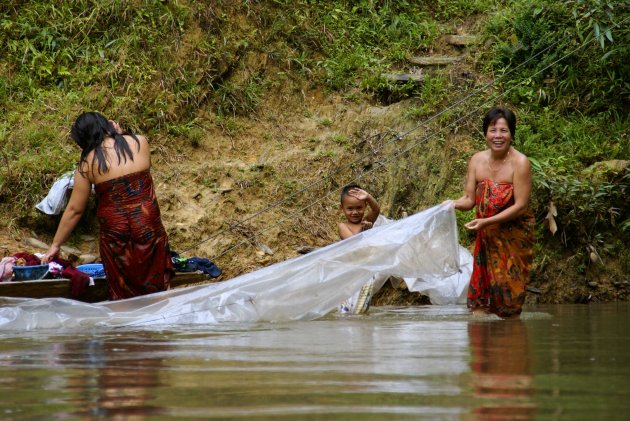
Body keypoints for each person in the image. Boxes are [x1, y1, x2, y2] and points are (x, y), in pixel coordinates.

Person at [42, 112, 174, 300]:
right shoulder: (140, 142)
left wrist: (55, 245)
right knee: (158, 282)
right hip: (147, 224)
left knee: (122, 289)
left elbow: (74, 210)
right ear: (108, 125)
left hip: (115, 231)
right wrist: (118, 135)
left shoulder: (87, 164)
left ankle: (125, 325)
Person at [452, 108, 534, 318]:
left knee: (508, 301)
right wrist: (450, 204)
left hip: (512, 238)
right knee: (481, 301)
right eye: (492, 130)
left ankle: (509, 345)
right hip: (486, 237)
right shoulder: (477, 160)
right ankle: (482, 347)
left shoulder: (520, 162)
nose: (498, 136)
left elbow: (521, 206)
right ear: (485, 133)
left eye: (503, 130)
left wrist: (486, 222)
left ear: (512, 134)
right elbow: (469, 200)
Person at [338, 184, 381, 314]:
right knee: (345, 308)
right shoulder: (343, 226)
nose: (355, 212)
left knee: (361, 308)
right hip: (348, 273)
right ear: (342, 209)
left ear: (365, 207)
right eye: (350, 209)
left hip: (366, 273)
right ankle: (346, 331)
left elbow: (377, 210)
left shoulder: (367, 221)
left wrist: (368, 197)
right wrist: (364, 231)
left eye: (359, 208)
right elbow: (353, 242)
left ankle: (362, 331)